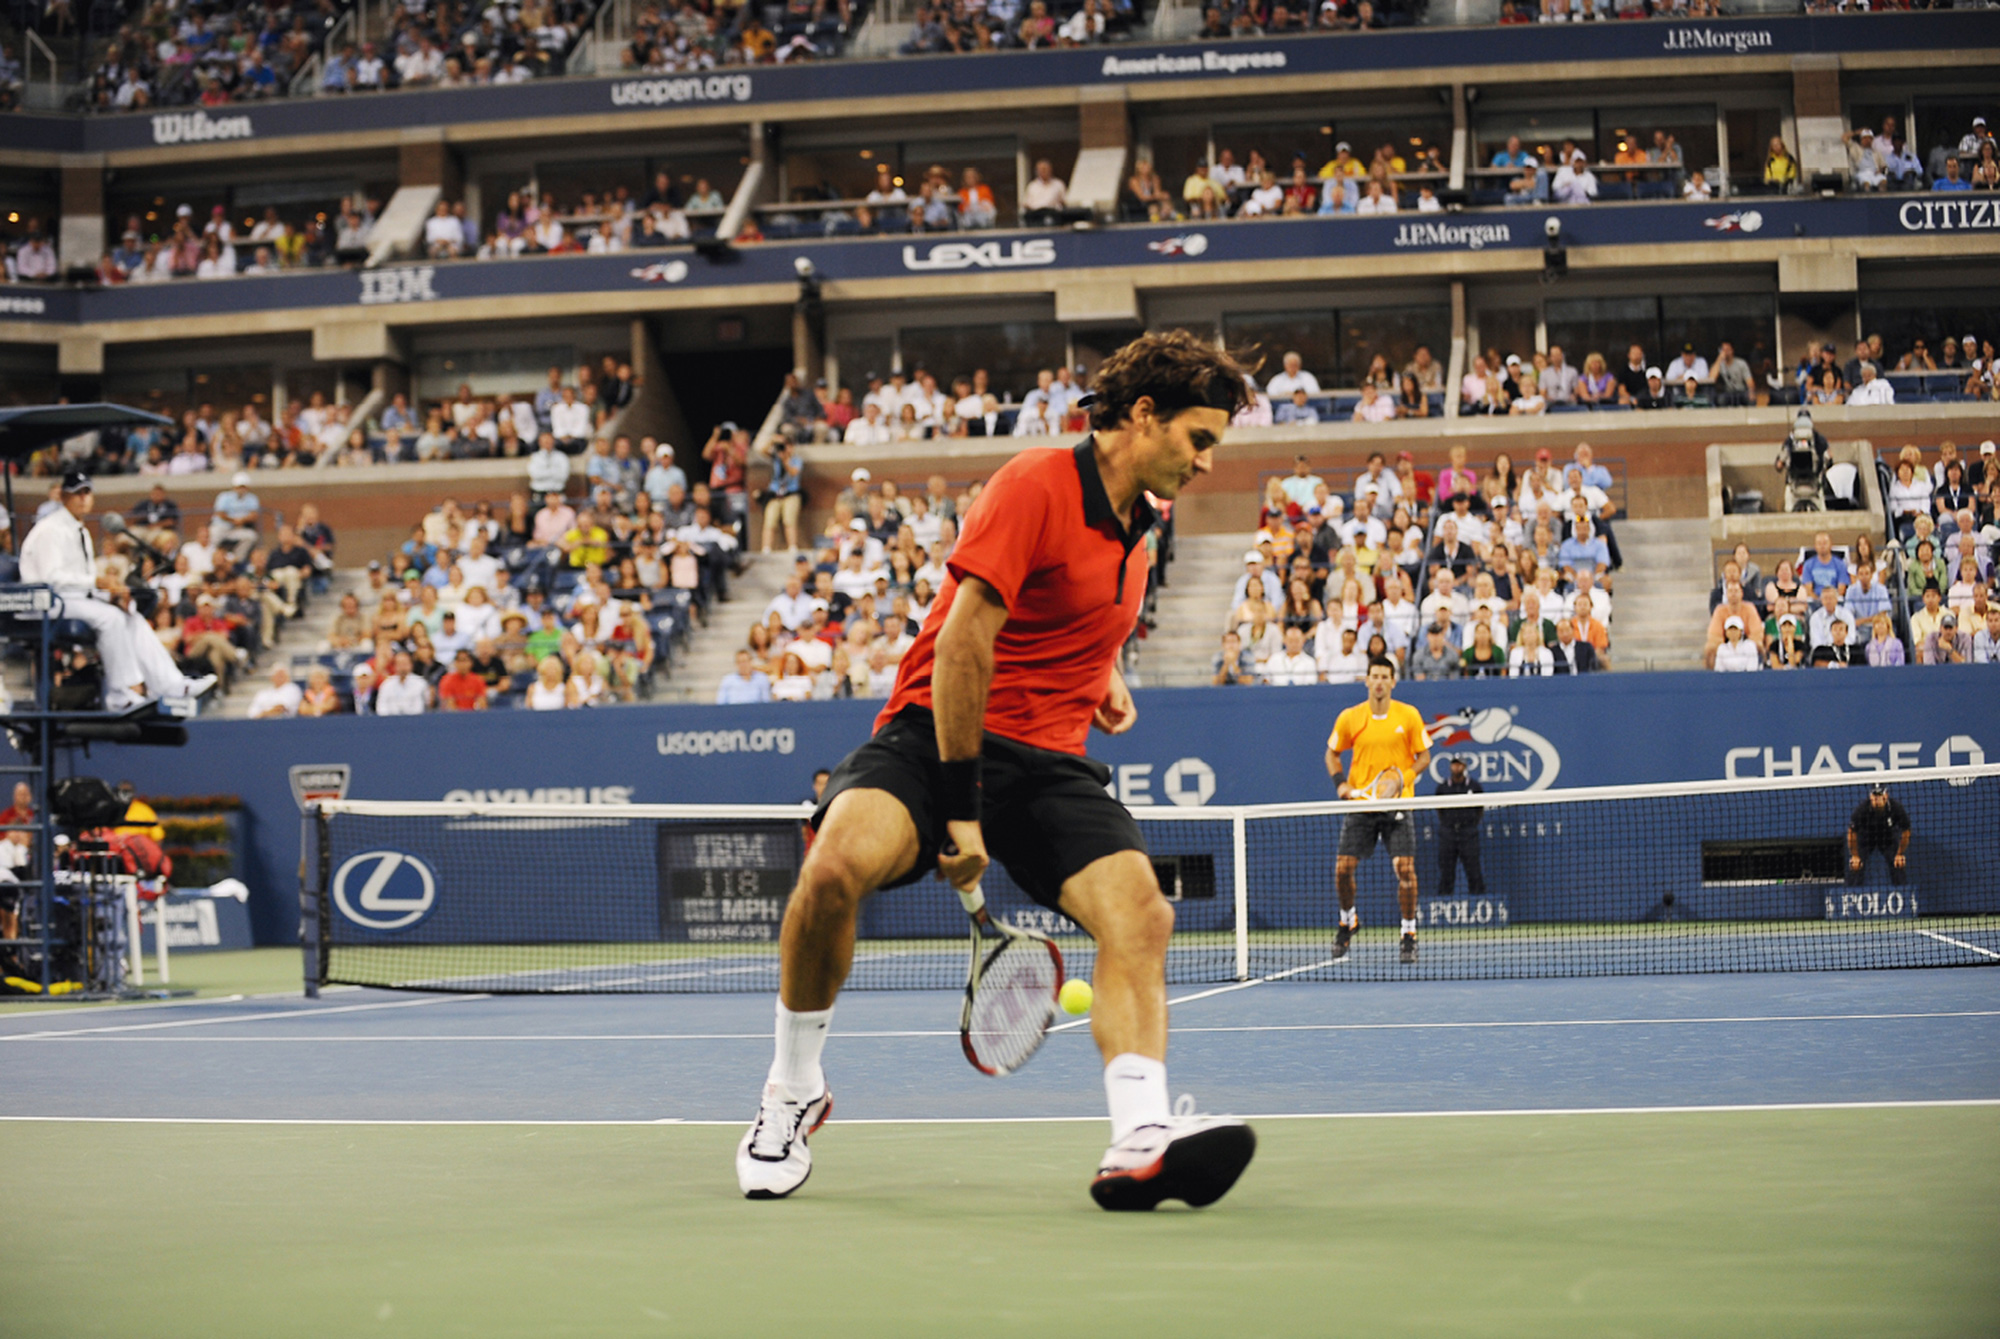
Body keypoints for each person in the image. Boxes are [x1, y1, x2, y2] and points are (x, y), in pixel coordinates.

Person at [736, 331, 1257, 1211]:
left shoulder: (1144, 526)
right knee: (830, 871)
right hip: (933, 734)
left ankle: (1139, 1137)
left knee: (1141, 911)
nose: (1207, 461)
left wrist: (1103, 675)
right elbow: (964, 643)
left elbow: (1067, 610)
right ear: (1142, 417)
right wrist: (960, 808)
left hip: (1051, 763)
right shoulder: (1036, 484)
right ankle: (791, 1090)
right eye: (1199, 439)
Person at [18, 472, 216, 712]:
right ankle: (119, 694)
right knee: (110, 618)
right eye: (76, 493)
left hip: (71, 598)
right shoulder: (50, 529)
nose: (82, 498)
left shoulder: (80, 530)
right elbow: (52, 578)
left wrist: (109, 594)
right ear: (63, 496)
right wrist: (98, 582)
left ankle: (172, 686)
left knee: (130, 613)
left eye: (86, 492)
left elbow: (83, 583)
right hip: (43, 601)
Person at [1326, 657, 1433, 966]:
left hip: (1398, 805)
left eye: (1385, 677)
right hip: (1362, 805)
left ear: (1393, 681)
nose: (1379, 682)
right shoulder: (1351, 717)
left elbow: (1424, 756)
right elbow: (1332, 753)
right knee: (1342, 869)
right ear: (1367, 680)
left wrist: (1402, 779)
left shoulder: (1408, 715)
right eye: (1374, 676)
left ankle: (1409, 933)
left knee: (1405, 870)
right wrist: (1341, 784)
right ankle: (1348, 921)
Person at [1433, 755, 1485, 904]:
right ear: (1450, 767)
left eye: (1460, 765)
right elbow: (1439, 810)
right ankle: (1444, 904)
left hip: (1468, 833)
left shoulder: (1474, 787)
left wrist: (1471, 823)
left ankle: (1479, 901)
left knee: (1473, 870)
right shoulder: (1443, 788)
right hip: (1448, 834)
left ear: (1465, 767)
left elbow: (1479, 808)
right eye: (1454, 764)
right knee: (1446, 872)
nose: (1457, 767)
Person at [1846, 783, 1909, 886]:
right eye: (1874, 795)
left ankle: (1904, 894)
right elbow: (1852, 832)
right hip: (1866, 839)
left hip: (1887, 838)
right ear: (1870, 796)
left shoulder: (1896, 808)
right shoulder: (1862, 810)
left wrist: (1900, 854)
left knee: (1898, 864)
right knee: (1855, 866)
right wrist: (1855, 856)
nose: (1877, 798)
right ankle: (1850, 895)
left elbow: (1906, 830)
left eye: (1880, 794)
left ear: (1886, 795)